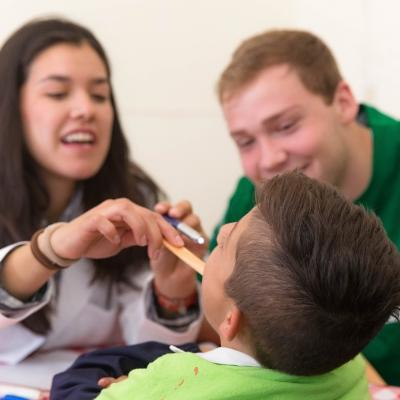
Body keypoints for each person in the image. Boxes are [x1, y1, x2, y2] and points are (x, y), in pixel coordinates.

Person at [51, 171, 400, 400]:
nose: (221, 229)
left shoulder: (170, 384)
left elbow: (71, 384)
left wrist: (140, 383)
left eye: (227, 242)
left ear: (232, 318)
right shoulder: (346, 365)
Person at [0, 17, 205, 377]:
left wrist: (172, 291)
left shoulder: (133, 197)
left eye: (99, 95)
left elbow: (147, 349)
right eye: (58, 93)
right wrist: (51, 250)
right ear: (10, 107)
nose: (86, 109)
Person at [210, 28, 400, 385]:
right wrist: (173, 293)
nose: (269, 160)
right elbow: (219, 313)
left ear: (343, 102)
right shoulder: (254, 196)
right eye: (245, 141)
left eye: (285, 126)